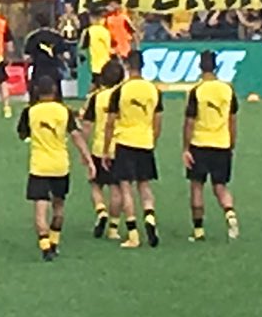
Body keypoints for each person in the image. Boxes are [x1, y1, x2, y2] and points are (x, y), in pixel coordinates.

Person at [17, 74, 88, 261]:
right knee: (58, 207)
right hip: (60, 166)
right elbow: (76, 136)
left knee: (40, 212)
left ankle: (45, 245)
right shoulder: (64, 111)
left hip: (39, 167)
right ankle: (54, 242)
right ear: (55, 90)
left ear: (37, 91)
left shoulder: (29, 112)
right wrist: (87, 158)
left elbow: (22, 134)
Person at [101, 51, 163, 249]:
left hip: (125, 142)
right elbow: (157, 121)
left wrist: (105, 150)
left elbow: (110, 123)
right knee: (144, 186)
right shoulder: (153, 90)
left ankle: (133, 234)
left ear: (127, 66)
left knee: (126, 188)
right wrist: (152, 140)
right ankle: (150, 216)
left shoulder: (120, 91)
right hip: (145, 142)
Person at [182, 49, 240, 242]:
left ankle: (198, 231)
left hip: (200, 144)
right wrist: (231, 143)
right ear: (215, 66)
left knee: (197, 187)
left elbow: (190, 121)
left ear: (200, 66)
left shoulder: (197, 91)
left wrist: (186, 148)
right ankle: (230, 215)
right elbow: (232, 120)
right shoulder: (227, 89)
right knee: (220, 187)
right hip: (222, 144)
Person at [80, 57, 125, 239]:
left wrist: (84, 150)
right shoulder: (124, 96)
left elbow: (87, 126)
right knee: (117, 189)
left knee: (95, 184)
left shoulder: (95, 98)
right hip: (121, 147)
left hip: (99, 147)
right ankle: (114, 228)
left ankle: (101, 210)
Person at [21, 13, 72, 97]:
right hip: (53, 70)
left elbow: (26, 58)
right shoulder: (57, 36)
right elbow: (66, 55)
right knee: (56, 95)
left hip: (38, 70)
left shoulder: (32, 37)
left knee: (36, 94)